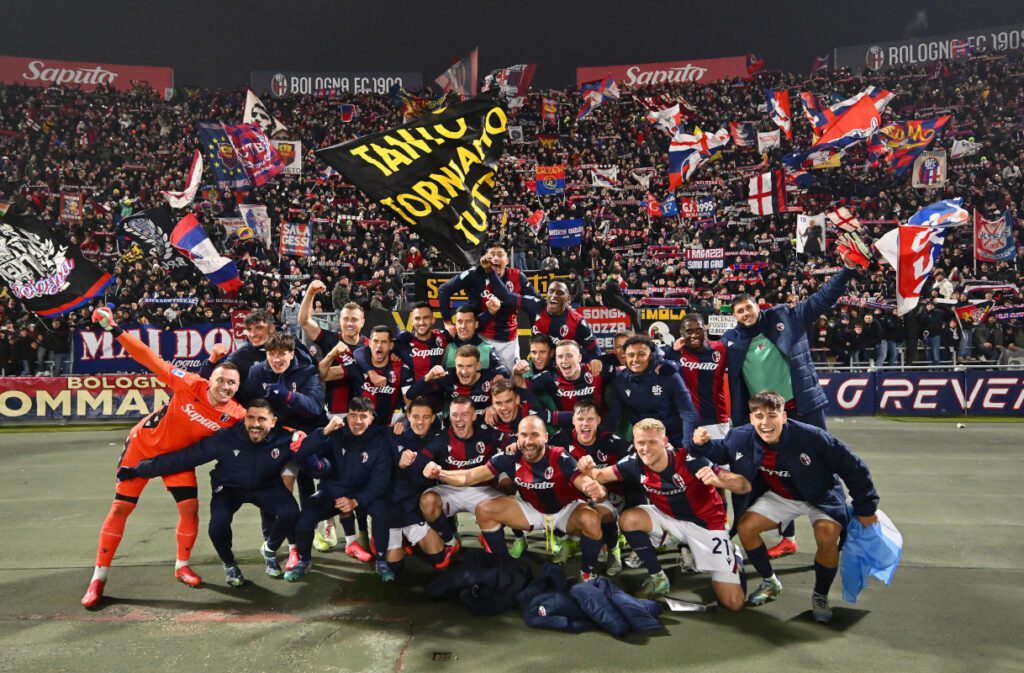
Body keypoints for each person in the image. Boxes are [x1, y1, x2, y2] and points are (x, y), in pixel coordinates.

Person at [82, 306, 245, 609]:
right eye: (221, 380)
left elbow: (264, 425)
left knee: (190, 511)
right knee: (120, 509)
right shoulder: (188, 383)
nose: (225, 387)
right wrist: (114, 329)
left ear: (237, 388)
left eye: (232, 384)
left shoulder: (235, 414)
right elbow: (148, 357)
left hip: (176, 461)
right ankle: (98, 578)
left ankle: (182, 565)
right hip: (141, 448)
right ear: (211, 379)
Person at [692, 391, 879, 623]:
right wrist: (701, 445)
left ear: (783, 416)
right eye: (758, 416)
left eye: (772, 415)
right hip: (782, 496)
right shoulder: (740, 436)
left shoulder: (812, 437)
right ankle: (770, 581)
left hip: (820, 495)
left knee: (827, 533)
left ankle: (820, 595)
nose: (765, 423)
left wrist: (866, 508)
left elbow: (854, 467)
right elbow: (721, 450)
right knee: (746, 528)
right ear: (751, 418)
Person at [721, 256, 858, 557]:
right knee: (773, 474)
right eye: (739, 311)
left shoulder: (786, 316)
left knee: (822, 466)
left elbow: (821, 300)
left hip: (801, 408)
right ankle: (788, 538)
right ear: (734, 316)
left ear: (758, 306)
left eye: (748, 307)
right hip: (766, 419)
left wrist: (847, 271)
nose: (745, 313)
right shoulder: (731, 340)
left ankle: (841, 524)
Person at [115, 399, 311, 587]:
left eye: (262, 419)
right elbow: (183, 458)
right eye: (250, 418)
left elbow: (319, 449)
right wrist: (138, 469)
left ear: (273, 421)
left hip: (266, 486)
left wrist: (308, 444)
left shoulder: (286, 439)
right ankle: (230, 565)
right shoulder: (225, 438)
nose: (255, 424)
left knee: (291, 512)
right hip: (229, 487)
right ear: (244, 418)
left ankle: (269, 550)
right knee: (217, 526)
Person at [580, 418, 749, 609]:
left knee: (733, 603)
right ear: (634, 444)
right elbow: (598, 475)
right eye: (640, 443)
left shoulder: (690, 460)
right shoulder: (633, 463)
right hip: (669, 518)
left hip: (706, 525)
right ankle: (658, 578)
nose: (646, 448)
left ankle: (733, 556)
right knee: (629, 519)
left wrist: (721, 482)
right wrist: (587, 467)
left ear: (665, 442)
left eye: (652, 442)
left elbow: (744, 485)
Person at [424, 416, 608, 581]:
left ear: (545, 437)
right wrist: (440, 473)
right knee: (484, 509)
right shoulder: (510, 456)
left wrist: (593, 489)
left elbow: (583, 482)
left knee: (591, 519)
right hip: (532, 510)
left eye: (534, 435)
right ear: (517, 437)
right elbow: (469, 476)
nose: (528, 441)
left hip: (564, 511)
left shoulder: (560, 456)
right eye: (523, 435)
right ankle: (504, 567)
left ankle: (587, 572)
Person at [288, 398, 398, 581]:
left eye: (363, 416)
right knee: (306, 515)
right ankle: (304, 561)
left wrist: (356, 501)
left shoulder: (379, 442)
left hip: (362, 494)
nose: (358, 421)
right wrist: (323, 432)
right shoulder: (334, 434)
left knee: (381, 512)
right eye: (353, 415)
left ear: (371, 418)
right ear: (347, 416)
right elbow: (302, 453)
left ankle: (381, 561)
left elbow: (380, 482)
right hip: (332, 492)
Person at [417, 396, 507, 554]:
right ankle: (450, 540)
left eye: (464, 414)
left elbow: (512, 442)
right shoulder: (441, 439)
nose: (458, 419)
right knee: (427, 501)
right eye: (454, 415)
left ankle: (489, 532)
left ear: (473, 416)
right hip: (451, 490)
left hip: (482, 490)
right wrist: (420, 465)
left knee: (508, 488)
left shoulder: (486, 433)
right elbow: (419, 462)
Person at [551, 401, 630, 573]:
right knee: (549, 497)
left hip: (608, 495)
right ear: (573, 420)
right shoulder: (560, 439)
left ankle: (613, 549)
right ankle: (568, 541)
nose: (585, 424)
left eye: (590, 419)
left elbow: (637, 462)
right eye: (580, 419)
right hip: (573, 495)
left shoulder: (612, 442)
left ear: (598, 420)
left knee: (596, 516)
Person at [438, 244, 539, 371]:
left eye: (500, 255)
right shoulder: (473, 274)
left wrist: (535, 329)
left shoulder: (518, 276)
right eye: (492, 255)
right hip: (480, 337)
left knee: (511, 381)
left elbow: (536, 303)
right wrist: (447, 321)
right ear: (485, 258)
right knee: (480, 379)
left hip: (509, 340)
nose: (495, 258)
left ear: (507, 260)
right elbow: (444, 290)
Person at [387, 397, 456, 573]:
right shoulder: (394, 435)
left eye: (426, 417)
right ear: (407, 416)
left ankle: (427, 535)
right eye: (415, 416)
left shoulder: (438, 440)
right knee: (394, 567)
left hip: (419, 507)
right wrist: (399, 465)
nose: (420, 422)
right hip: (394, 507)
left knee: (438, 557)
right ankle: (383, 536)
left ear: (433, 418)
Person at [483, 275, 603, 368]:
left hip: (563, 370)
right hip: (537, 363)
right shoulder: (535, 305)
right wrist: (490, 271)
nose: (553, 295)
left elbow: (593, 349)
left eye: (560, 293)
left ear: (568, 299)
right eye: (551, 291)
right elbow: (506, 296)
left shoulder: (577, 322)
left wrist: (595, 360)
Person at [603, 334, 699, 448]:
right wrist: (602, 436)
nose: (635, 359)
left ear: (650, 356)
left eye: (641, 354)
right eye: (631, 355)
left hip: (675, 438)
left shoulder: (667, 374)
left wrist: (687, 444)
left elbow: (688, 412)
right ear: (626, 357)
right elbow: (613, 415)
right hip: (644, 442)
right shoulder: (620, 380)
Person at [663, 313, 729, 428]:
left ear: (705, 329)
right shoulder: (674, 353)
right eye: (689, 331)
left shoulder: (721, 349)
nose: (694, 335)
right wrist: (672, 351)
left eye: (698, 330)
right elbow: (650, 355)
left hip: (716, 419)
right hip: (684, 423)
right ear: (681, 333)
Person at [406, 344, 504, 415]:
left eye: (469, 366)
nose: (464, 371)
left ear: (478, 366)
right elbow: (411, 395)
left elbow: (511, 399)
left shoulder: (492, 379)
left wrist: (494, 407)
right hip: (455, 428)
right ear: (455, 365)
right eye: (460, 366)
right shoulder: (447, 377)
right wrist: (427, 377)